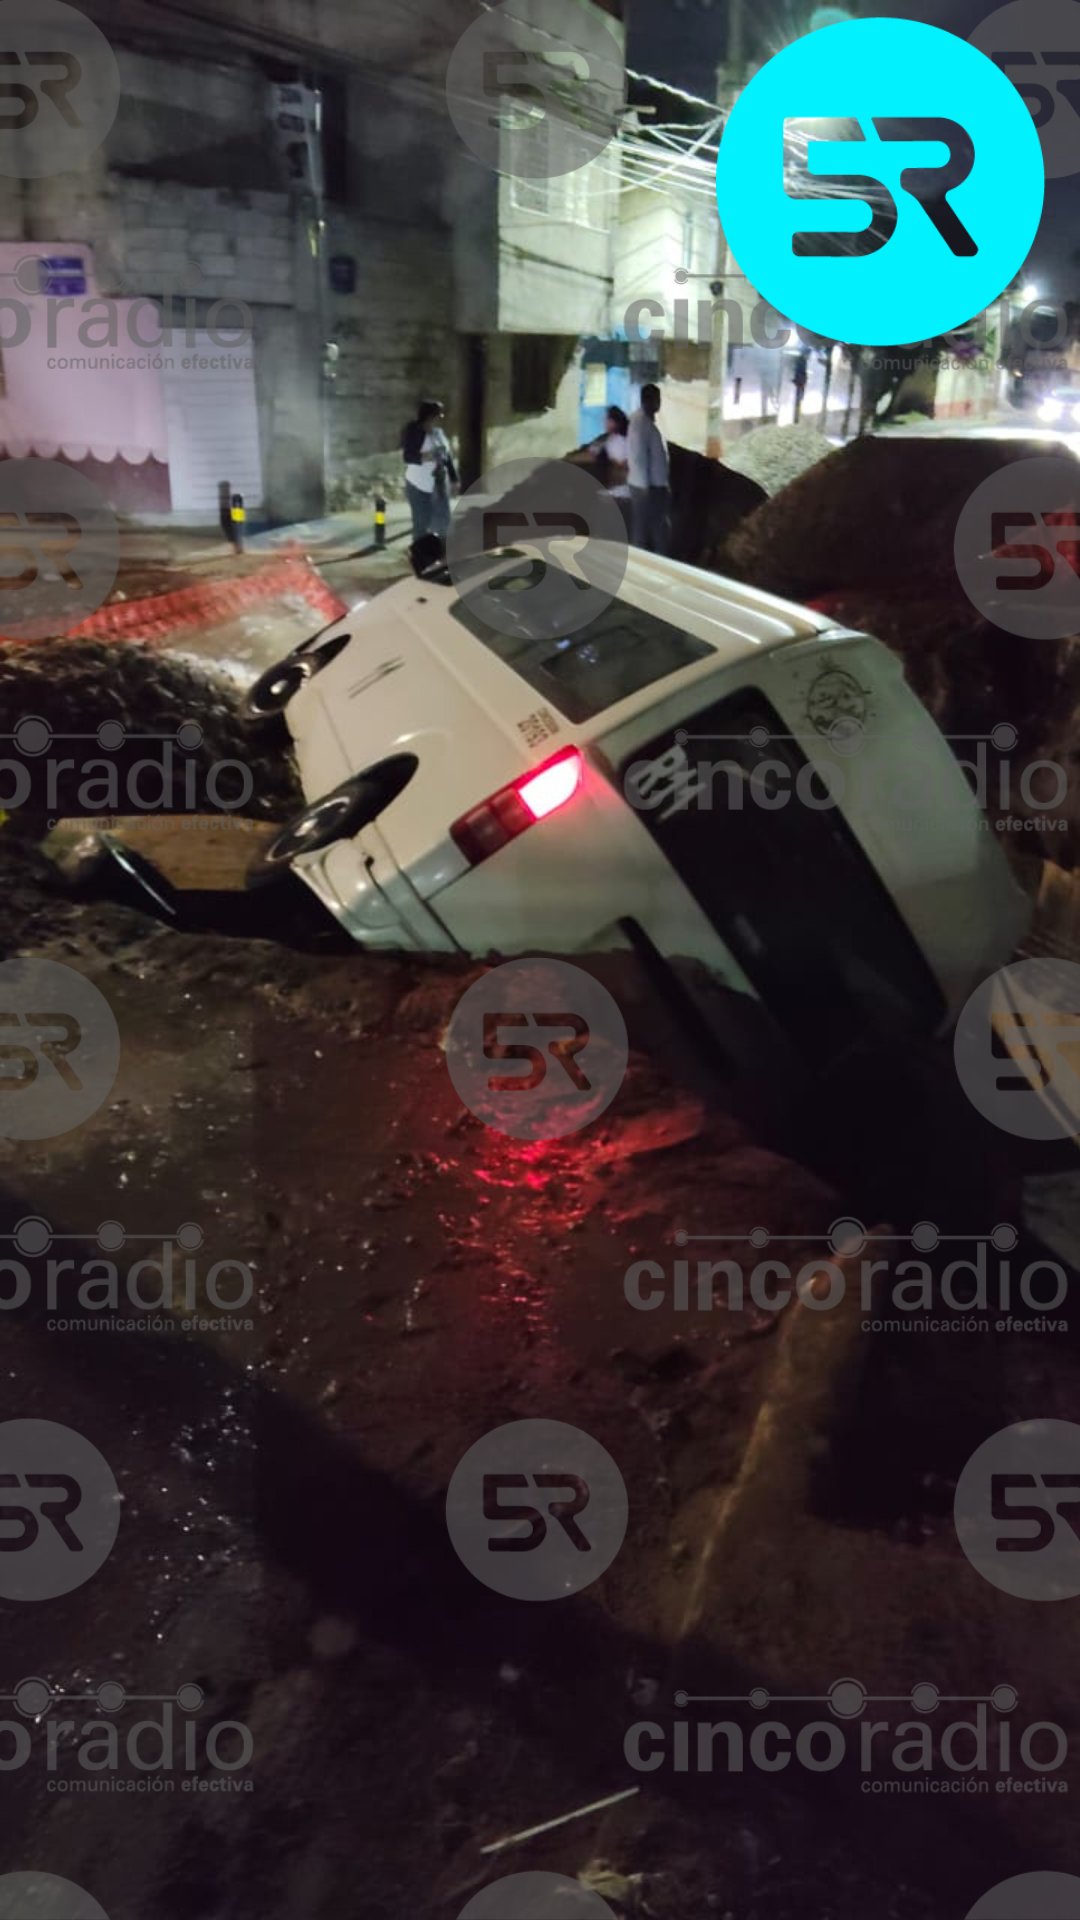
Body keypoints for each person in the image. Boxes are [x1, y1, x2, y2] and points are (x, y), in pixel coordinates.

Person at [402, 399, 457, 541]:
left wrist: (454, 478)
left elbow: (447, 456)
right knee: (421, 523)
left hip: (438, 485)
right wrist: (427, 456)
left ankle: (443, 555)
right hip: (418, 484)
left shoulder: (439, 433)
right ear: (429, 417)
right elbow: (408, 456)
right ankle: (420, 557)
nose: (440, 420)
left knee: (443, 522)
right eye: (438, 416)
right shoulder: (414, 430)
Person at [627, 383, 671, 554]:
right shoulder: (640, 424)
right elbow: (638, 457)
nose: (659, 403)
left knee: (653, 528)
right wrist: (644, 487)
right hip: (647, 487)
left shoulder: (646, 421)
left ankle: (655, 562)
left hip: (653, 485)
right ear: (649, 400)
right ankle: (648, 565)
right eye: (657, 400)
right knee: (647, 529)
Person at [579, 404, 632, 537]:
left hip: (620, 493)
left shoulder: (619, 442)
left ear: (615, 422)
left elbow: (621, 467)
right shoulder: (610, 440)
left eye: (607, 420)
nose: (604, 423)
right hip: (618, 492)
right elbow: (591, 452)